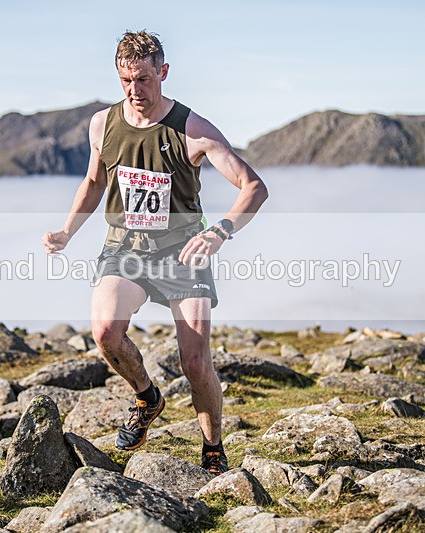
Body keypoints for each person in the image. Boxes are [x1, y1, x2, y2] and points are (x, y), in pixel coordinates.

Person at [42, 30, 267, 474]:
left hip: (184, 252)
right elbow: (93, 183)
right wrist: (68, 229)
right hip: (124, 246)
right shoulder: (102, 124)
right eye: (126, 80)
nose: (134, 90)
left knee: (195, 361)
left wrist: (220, 231)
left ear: (163, 73)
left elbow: (254, 187)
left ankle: (213, 448)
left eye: (144, 79)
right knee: (106, 330)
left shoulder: (192, 129)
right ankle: (148, 398)